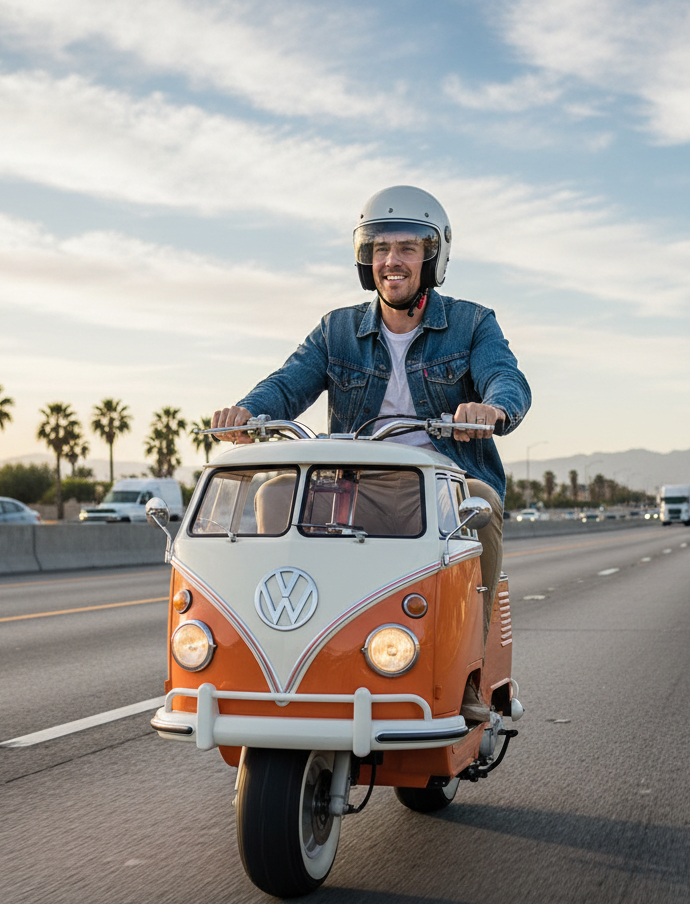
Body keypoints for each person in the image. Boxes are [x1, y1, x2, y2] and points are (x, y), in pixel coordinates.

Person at [213, 185, 531, 719]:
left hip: (438, 486)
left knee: (479, 505)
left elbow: (505, 376)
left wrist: (492, 408)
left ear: (432, 257)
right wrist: (247, 412)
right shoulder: (337, 330)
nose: (391, 261)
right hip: (352, 483)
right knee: (274, 496)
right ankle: (286, 649)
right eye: (380, 248)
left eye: (407, 248)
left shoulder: (473, 323)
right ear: (366, 258)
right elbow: (289, 382)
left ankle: (467, 670)